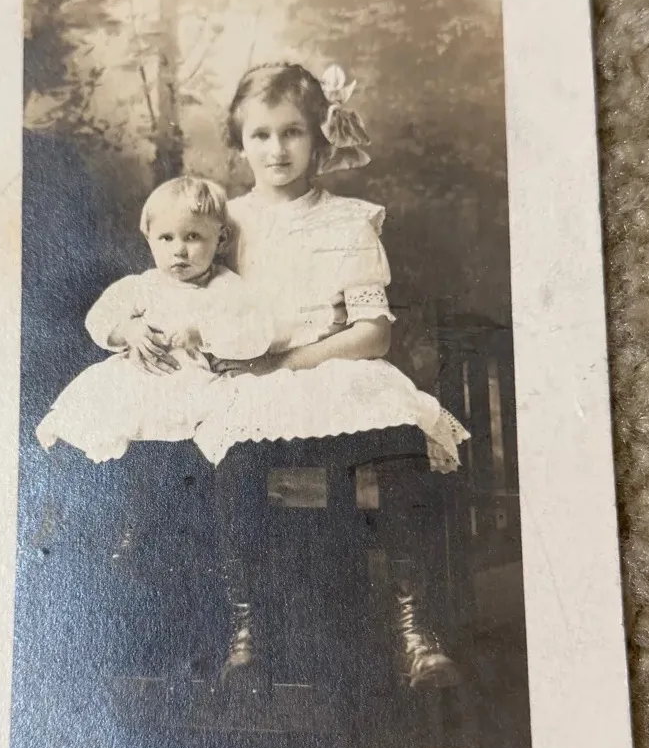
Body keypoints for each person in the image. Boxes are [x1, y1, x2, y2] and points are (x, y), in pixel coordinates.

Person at [195, 62, 469, 690]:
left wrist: (290, 362)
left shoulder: (348, 220)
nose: (276, 149)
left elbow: (374, 334)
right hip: (253, 383)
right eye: (260, 134)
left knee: (397, 439)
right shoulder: (224, 223)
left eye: (292, 132)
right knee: (233, 452)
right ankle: (248, 631)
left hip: (333, 370)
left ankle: (415, 631)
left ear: (321, 136)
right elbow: (188, 296)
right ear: (239, 141)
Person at [35, 176, 272, 463]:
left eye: (193, 237)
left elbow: (256, 334)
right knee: (103, 394)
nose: (179, 250)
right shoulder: (145, 285)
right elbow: (99, 319)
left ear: (220, 239)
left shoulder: (225, 287)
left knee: (220, 412)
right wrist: (129, 330)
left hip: (193, 379)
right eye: (166, 238)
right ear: (150, 239)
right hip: (139, 372)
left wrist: (203, 334)